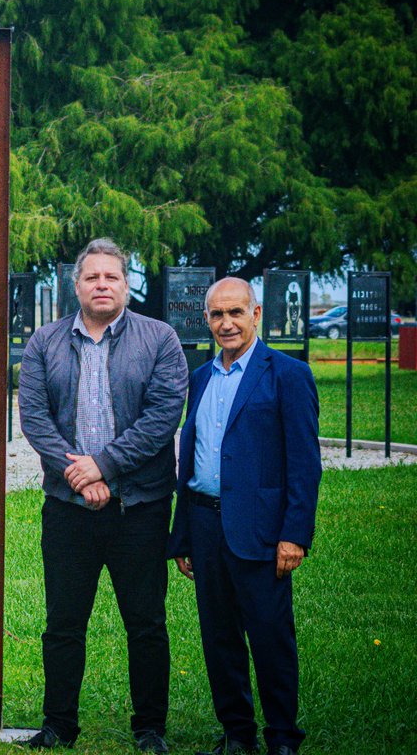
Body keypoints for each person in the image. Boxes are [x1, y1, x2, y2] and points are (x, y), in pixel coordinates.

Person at [18, 238, 188, 752]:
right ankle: (58, 726)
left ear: (127, 282)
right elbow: (35, 418)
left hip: (140, 507)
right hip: (69, 510)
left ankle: (149, 728)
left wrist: (105, 467)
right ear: (76, 286)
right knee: (63, 624)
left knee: (146, 623)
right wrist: (80, 475)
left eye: (111, 277)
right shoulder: (44, 343)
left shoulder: (160, 339)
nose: (102, 285)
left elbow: (163, 417)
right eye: (91, 277)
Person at [167, 277, 320, 755]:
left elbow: (304, 463)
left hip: (261, 531)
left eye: (236, 312)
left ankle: (282, 738)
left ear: (256, 315)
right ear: (207, 319)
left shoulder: (288, 375)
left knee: (271, 638)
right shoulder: (202, 377)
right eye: (217, 314)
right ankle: (237, 734)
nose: (226, 323)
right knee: (220, 640)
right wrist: (184, 536)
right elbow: (192, 461)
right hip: (206, 525)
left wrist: (293, 534)